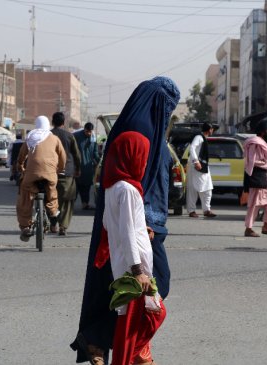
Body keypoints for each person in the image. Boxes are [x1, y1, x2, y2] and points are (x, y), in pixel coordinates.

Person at [71, 76, 180, 365]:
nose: (168, 113)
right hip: (140, 222)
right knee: (154, 286)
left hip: (136, 222)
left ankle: (105, 341)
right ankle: (131, 347)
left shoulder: (136, 125)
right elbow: (137, 182)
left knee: (125, 289)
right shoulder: (141, 131)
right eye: (168, 106)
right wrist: (145, 223)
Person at [102, 131, 166, 365]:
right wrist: (138, 270)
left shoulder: (112, 187)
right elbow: (127, 231)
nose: (145, 161)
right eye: (143, 156)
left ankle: (142, 360)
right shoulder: (128, 190)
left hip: (123, 262)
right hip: (134, 267)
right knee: (149, 317)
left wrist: (141, 228)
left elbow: (108, 224)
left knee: (135, 321)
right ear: (131, 156)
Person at [16, 116, 66, 241]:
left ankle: (25, 227)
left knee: (26, 196)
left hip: (31, 174)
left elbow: (21, 156)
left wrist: (20, 167)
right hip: (50, 173)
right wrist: (59, 169)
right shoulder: (54, 138)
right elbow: (63, 157)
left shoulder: (30, 137)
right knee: (52, 192)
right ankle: (53, 211)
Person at [243, 122, 267, 237]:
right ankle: (248, 229)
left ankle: (266, 226)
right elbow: (252, 162)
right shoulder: (255, 143)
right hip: (257, 177)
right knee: (254, 204)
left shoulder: (262, 142)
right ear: (263, 132)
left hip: (265, 177)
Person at [50, 112, 82, 236]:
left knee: (51, 198)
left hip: (50, 171)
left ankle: (53, 223)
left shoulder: (48, 135)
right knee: (68, 200)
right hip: (67, 171)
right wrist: (78, 169)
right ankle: (63, 226)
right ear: (64, 123)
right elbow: (76, 155)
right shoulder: (69, 136)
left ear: (53, 122)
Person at [186, 122, 216, 218]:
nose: (213, 131)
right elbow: (192, 148)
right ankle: (191, 210)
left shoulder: (203, 138)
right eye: (212, 129)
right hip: (196, 166)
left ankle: (207, 210)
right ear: (209, 129)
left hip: (203, 166)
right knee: (193, 188)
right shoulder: (199, 137)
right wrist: (196, 161)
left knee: (207, 188)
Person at [74, 122, 100, 210]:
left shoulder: (93, 138)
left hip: (88, 168)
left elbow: (95, 152)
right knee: (76, 187)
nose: (88, 133)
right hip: (78, 167)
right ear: (84, 129)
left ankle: (85, 204)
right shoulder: (76, 136)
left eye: (90, 131)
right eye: (87, 131)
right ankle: (69, 206)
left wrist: (98, 161)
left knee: (87, 187)